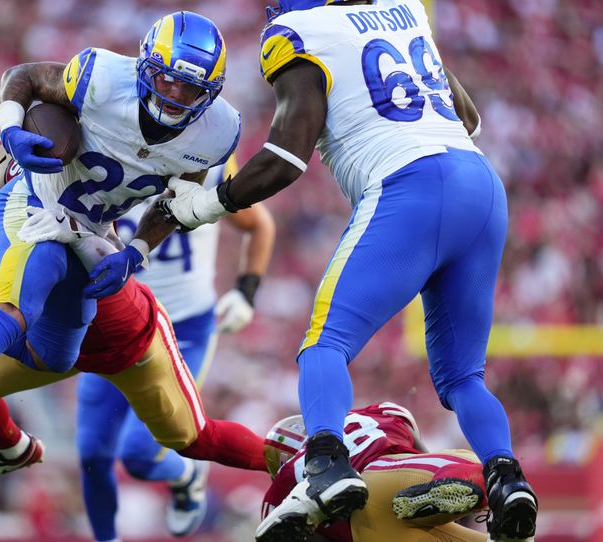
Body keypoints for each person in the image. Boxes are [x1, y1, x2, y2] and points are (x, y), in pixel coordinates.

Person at [153, 1, 537, 541]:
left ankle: (326, 469)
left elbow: (287, 157)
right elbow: (466, 118)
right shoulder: (403, 11)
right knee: (463, 377)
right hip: (480, 185)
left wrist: (202, 206)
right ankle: (506, 475)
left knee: (324, 344)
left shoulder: (297, 31)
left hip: (409, 188)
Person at [0, 10, 242, 477]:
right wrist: (11, 127)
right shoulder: (101, 78)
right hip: (36, 206)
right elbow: (23, 77)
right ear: (144, 67)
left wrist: (136, 252)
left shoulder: (215, 134)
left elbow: (176, 202)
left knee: (54, 357)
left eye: (190, 88)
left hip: (91, 231)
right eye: (166, 79)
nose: (174, 95)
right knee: (17, 308)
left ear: (210, 95)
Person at [0, 136, 267, 496]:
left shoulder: (75, 207)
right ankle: (13, 448)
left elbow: (17, 311)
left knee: (193, 438)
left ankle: (289, 462)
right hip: (59, 341)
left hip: (129, 343)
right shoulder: (16, 221)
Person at [76, 155, 275, 540]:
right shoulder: (98, 156)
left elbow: (258, 224)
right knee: (91, 455)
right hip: (116, 325)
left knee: (139, 455)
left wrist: (247, 291)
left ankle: (187, 474)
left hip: (182, 327)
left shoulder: (207, 160)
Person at [261, 403, 489, 542]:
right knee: (484, 473)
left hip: (369, 531)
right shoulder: (380, 413)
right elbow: (419, 452)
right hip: (385, 475)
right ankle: (458, 482)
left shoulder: (286, 481)